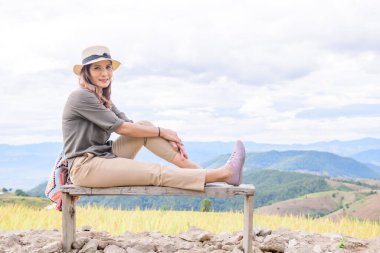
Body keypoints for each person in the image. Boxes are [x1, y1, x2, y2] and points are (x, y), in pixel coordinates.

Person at [62, 45, 245, 192]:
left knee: (144, 126)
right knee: (154, 172)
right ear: (86, 72)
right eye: (97, 68)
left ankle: (199, 172)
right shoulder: (81, 96)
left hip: (104, 156)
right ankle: (223, 174)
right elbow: (122, 129)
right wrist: (163, 131)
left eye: (108, 67)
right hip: (85, 166)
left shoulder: (101, 98)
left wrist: (167, 138)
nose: (105, 73)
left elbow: (133, 127)